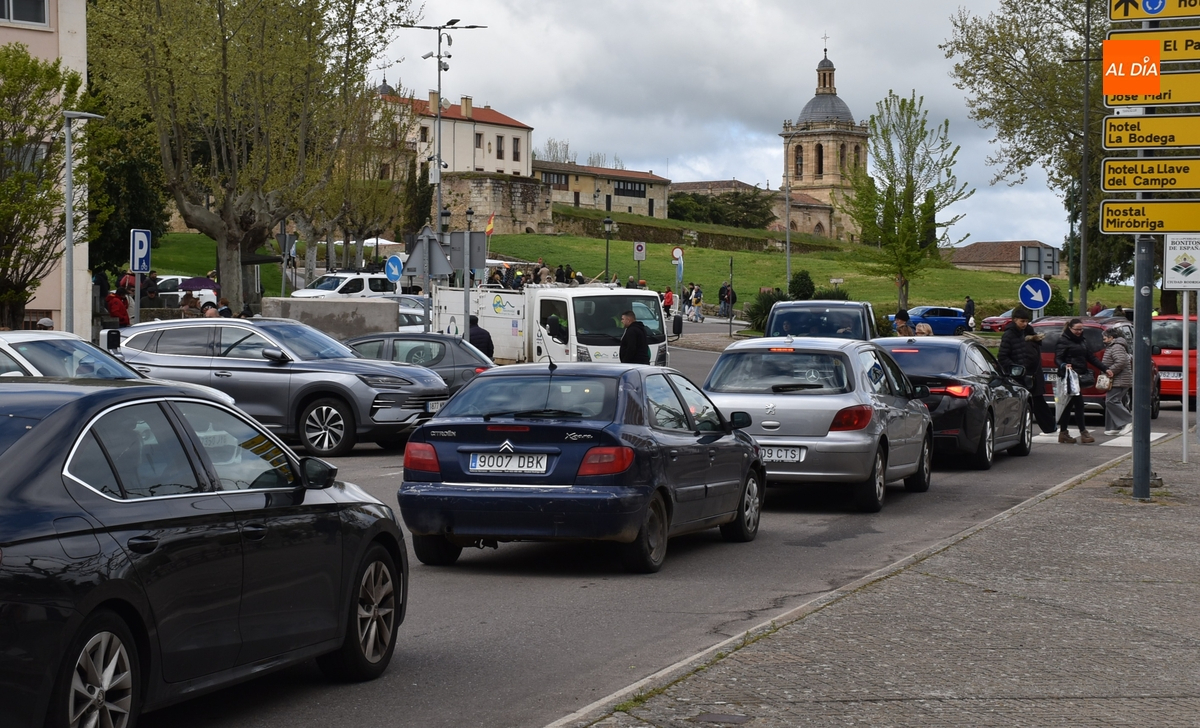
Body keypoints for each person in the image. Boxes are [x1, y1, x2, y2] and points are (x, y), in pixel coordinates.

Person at [998, 305, 1055, 433]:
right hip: (1017, 376)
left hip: (1030, 375)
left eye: (1026, 321)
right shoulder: (1009, 335)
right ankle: (1018, 431)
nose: (1024, 324)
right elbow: (1002, 356)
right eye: (1021, 321)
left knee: (1036, 402)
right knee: (1021, 405)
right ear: (1014, 320)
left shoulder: (1026, 333)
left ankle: (1050, 428)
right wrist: (1016, 369)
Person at [1055, 318, 1111, 444]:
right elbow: (1057, 359)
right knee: (1079, 404)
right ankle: (1083, 433)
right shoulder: (1063, 341)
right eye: (1077, 329)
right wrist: (1064, 365)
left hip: (1079, 376)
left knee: (1068, 405)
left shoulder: (1083, 341)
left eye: (1081, 329)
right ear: (1070, 328)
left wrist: (1105, 369)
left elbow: (1091, 357)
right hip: (1069, 377)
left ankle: (1063, 433)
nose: (1079, 332)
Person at [1101, 329, 1133, 436]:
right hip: (1118, 379)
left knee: (1111, 401)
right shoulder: (1115, 346)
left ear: (1111, 337)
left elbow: (1121, 361)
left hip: (1119, 379)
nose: (1103, 340)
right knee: (1112, 401)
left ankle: (1128, 421)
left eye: (1105, 337)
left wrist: (1110, 371)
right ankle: (1115, 426)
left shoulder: (1116, 346)